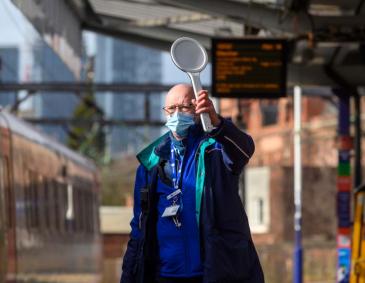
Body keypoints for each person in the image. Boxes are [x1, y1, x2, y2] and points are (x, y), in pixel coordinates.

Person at [120, 84, 264, 283]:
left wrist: (217, 123)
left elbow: (245, 150)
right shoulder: (149, 164)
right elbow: (139, 229)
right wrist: (129, 276)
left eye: (185, 107)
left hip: (213, 273)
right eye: (171, 109)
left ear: (198, 110)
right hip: (164, 276)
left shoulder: (216, 150)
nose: (177, 114)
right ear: (165, 113)